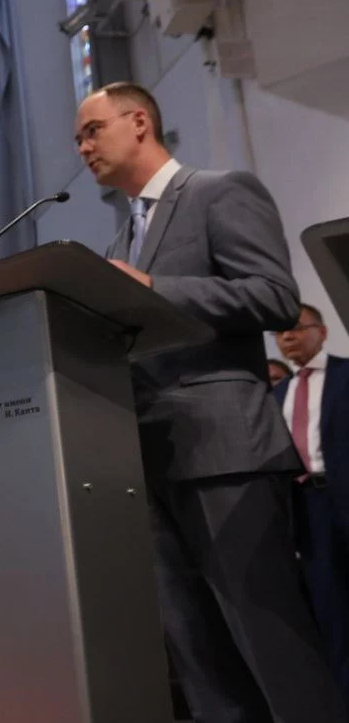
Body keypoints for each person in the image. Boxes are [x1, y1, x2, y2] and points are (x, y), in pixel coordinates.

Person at [79, 81, 346, 721]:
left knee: (271, 641)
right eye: (79, 138)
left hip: (225, 450)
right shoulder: (117, 243)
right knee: (198, 653)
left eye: (92, 130)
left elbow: (274, 296)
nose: (83, 148)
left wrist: (154, 287)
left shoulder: (218, 192)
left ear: (138, 121)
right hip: (146, 460)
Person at [274, 303, 349, 705]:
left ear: (322, 331)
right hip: (307, 507)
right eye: (279, 332)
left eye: (296, 328)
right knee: (329, 608)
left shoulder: (346, 375)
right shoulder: (276, 394)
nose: (287, 336)